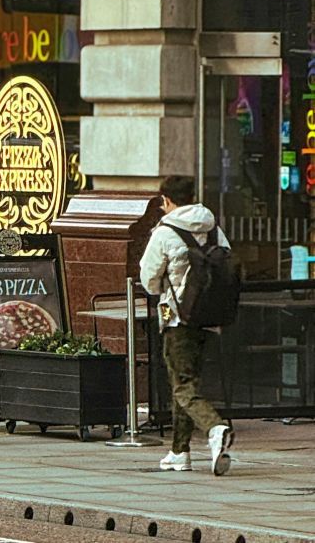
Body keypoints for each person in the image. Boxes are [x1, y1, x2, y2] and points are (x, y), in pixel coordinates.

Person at [139, 175, 235, 476]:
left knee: (181, 384)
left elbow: (149, 279)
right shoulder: (213, 228)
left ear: (166, 200)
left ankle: (215, 427)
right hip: (209, 316)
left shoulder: (165, 232)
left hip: (177, 317)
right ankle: (179, 452)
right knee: (188, 381)